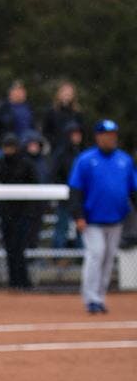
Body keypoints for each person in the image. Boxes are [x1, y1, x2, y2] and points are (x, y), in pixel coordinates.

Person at [69, 119, 137, 314]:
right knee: (96, 254)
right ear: (98, 136)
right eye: (107, 135)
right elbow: (75, 190)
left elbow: (133, 190)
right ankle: (90, 297)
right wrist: (78, 216)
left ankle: (99, 297)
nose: (111, 138)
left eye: (114, 134)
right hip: (92, 219)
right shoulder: (86, 160)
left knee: (108, 259)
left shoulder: (124, 160)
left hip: (116, 218)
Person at [0, 133, 38, 290]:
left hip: (22, 212)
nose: (8, 151)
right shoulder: (0, 163)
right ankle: (13, 281)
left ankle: (23, 281)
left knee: (19, 248)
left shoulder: (26, 163)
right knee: (9, 249)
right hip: (5, 212)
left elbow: (34, 184)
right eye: (6, 147)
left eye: (11, 147)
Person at [50, 122, 84, 252]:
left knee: (80, 226)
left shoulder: (81, 152)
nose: (77, 137)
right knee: (62, 226)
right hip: (65, 197)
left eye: (78, 134)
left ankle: (81, 255)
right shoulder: (61, 153)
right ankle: (58, 254)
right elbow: (54, 173)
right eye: (74, 135)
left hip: (79, 197)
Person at [21, 129, 48, 249]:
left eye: (36, 144)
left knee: (36, 228)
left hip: (39, 201)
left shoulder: (43, 161)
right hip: (25, 203)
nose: (34, 147)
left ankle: (33, 250)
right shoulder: (22, 161)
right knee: (25, 228)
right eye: (31, 144)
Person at [42, 81, 84, 158]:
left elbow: (82, 131)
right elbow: (46, 131)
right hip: (56, 149)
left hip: (73, 150)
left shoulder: (77, 113)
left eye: (69, 92)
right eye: (64, 91)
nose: (66, 94)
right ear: (59, 94)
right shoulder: (51, 111)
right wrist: (54, 142)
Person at [0, 80, 36, 145]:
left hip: (27, 145)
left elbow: (33, 126)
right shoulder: (4, 108)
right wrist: (4, 139)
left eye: (22, 91)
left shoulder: (28, 107)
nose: (20, 93)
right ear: (11, 93)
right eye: (17, 91)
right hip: (10, 145)